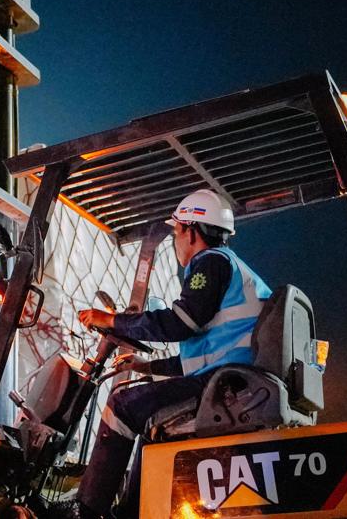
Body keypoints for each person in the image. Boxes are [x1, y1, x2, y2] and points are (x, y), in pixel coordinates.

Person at [68, 188, 272, 519]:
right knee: (154, 425)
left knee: (122, 404)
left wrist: (114, 320)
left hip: (226, 384)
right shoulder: (233, 271)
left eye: (176, 231)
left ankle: (86, 510)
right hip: (230, 378)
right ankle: (131, 513)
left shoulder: (211, 263)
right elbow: (204, 353)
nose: (177, 240)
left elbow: (180, 323)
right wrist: (147, 367)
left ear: (191, 230)